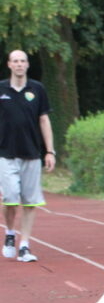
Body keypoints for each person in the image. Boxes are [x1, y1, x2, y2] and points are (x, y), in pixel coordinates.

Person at [1, 49, 56, 262]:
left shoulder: (37, 89)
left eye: (22, 61)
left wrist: (49, 151)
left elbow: (44, 120)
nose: (19, 64)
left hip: (31, 153)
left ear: (27, 64)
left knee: (30, 202)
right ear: (9, 64)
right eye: (15, 61)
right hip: (5, 153)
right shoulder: (1, 89)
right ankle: (9, 233)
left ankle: (24, 245)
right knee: (10, 198)